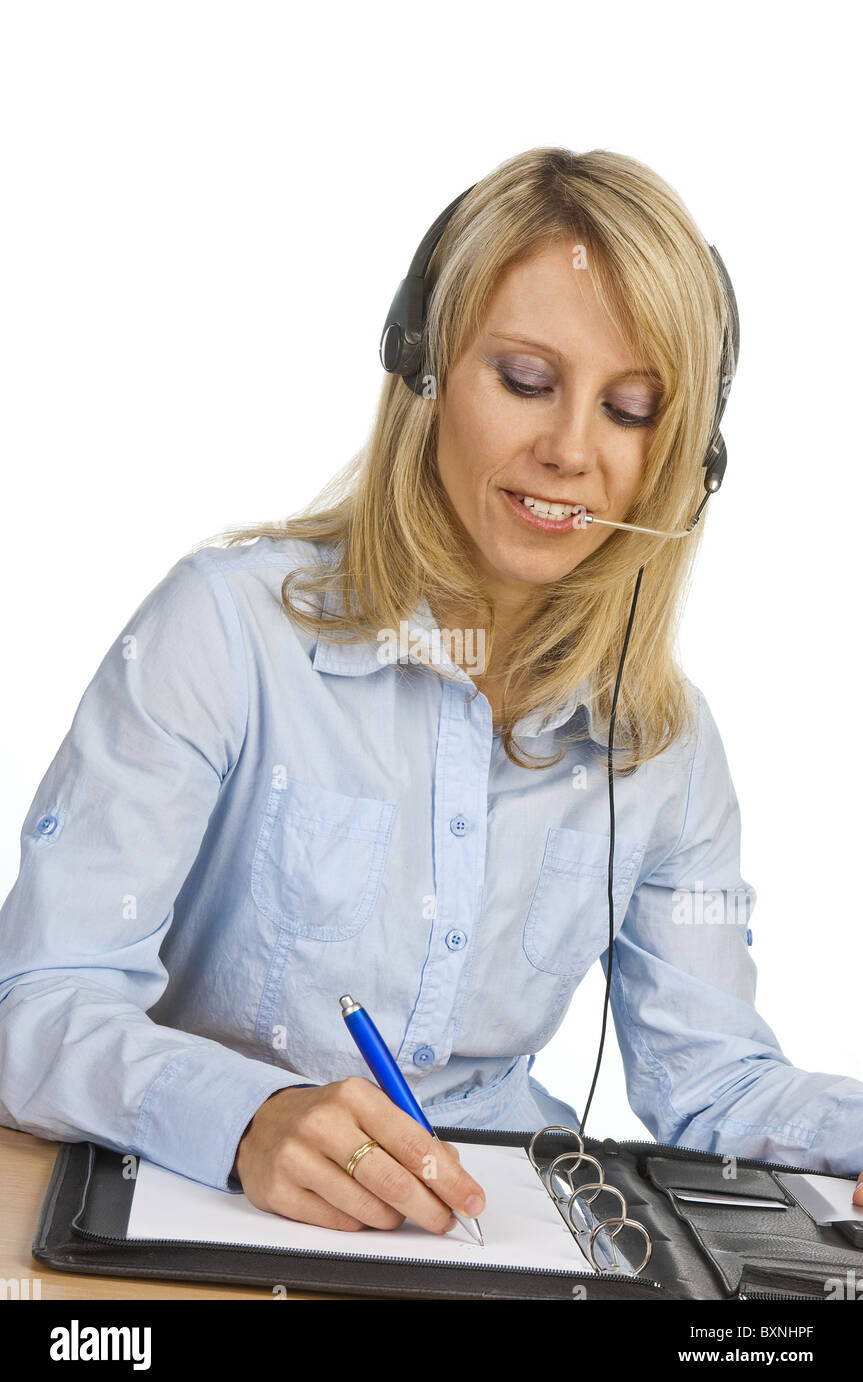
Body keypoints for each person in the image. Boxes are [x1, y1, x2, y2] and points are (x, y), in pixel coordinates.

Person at [1, 146, 861, 1241]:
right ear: (423, 370)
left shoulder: (663, 744)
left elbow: (715, 1084)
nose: (569, 451)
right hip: (215, 1209)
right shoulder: (222, 632)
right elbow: (36, 1000)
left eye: (631, 408)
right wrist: (249, 1114)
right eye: (525, 382)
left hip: (500, 1230)